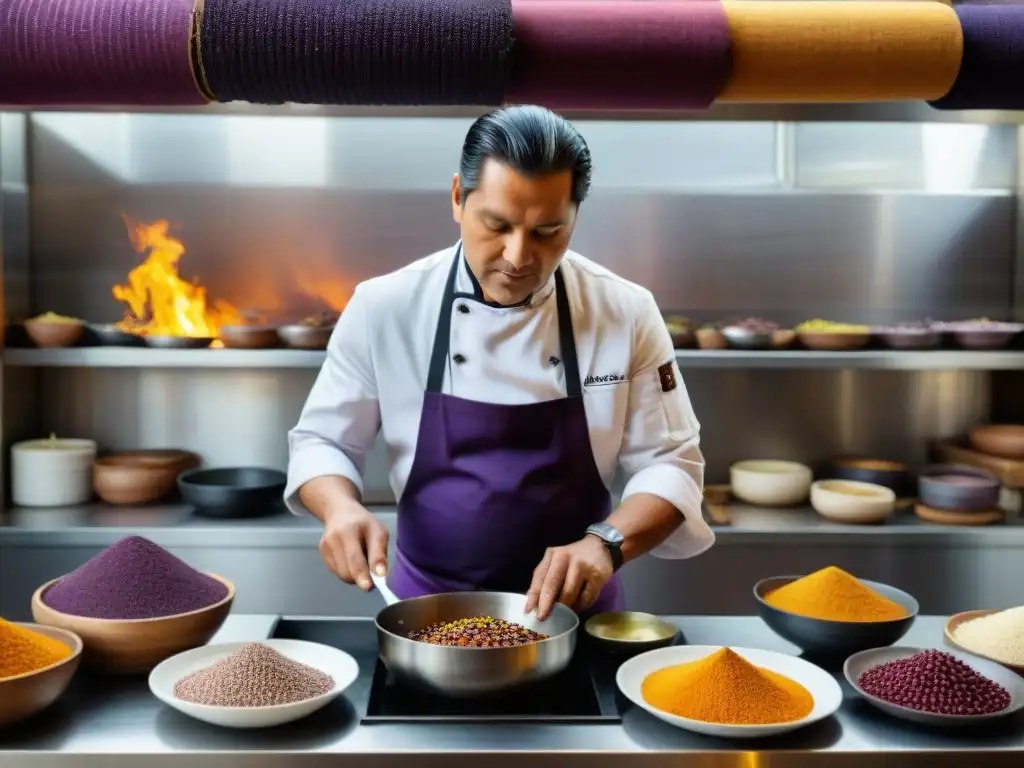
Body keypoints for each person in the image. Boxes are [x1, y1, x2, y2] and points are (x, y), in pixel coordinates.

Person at [286, 105, 712, 620]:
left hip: (578, 613)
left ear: (576, 216)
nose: (517, 256)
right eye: (498, 225)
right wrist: (340, 508)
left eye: (547, 232)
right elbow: (323, 440)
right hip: (428, 610)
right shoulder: (385, 306)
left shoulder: (624, 311)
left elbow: (671, 463)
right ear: (457, 199)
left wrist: (606, 544)